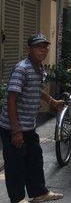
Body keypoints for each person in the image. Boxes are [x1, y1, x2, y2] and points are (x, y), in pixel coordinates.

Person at [0, 34, 64, 203]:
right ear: (30, 49)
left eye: (45, 47)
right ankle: (18, 199)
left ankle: (39, 193)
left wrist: (53, 101)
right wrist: (15, 130)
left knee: (34, 159)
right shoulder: (22, 68)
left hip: (28, 126)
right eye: (38, 47)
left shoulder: (38, 67)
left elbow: (37, 89)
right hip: (14, 127)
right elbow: (12, 97)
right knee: (15, 165)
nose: (42, 50)